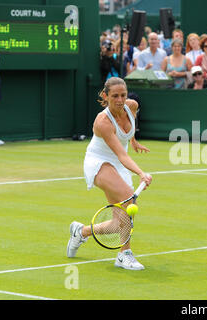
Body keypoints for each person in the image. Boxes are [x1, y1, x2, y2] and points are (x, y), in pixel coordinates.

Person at [67, 77, 153, 270]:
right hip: (99, 161)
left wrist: (133, 141)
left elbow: (127, 130)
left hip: (118, 163)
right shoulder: (103, 121)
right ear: (105, 96)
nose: (120, 100)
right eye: (115, 96)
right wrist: (141, 173)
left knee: (118, 222)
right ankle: (124, 254)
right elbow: (122, 155)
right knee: (128, 199)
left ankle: (81, 232)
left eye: (123, 95)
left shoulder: (132, 105)